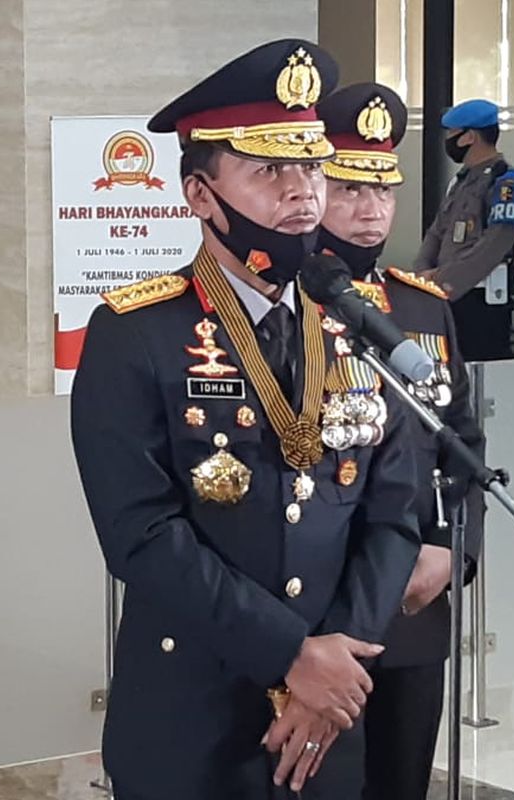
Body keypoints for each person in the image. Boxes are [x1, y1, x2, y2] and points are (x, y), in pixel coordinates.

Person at [70, 40, 421, 800]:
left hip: (331, 711)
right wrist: (295, 654)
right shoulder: (137, 332)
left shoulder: (353, 325)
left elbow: (394, 512)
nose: (302, 193)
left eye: (312, 168)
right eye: (270, 171)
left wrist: (338, 665)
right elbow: (141, 532)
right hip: (194, 710)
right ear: (201, 195)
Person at [317, 82, 486, 800]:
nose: (371, 210)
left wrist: (455, 550)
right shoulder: (281, 306)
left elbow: (465, 446)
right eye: (351, 189)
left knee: (401, 785)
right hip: (317, 611)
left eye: (383, 191)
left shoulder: (420, 306)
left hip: (413, 609)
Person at [411, 98, 514, 361]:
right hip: (444, 297)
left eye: (452, 133)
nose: (448, 140)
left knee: (481, 374)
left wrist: (442, 279)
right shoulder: (462, 180)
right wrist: (421, 273)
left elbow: (493, 246)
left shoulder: (506, 183)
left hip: (479, 302)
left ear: (469, 137)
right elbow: (437, 231)